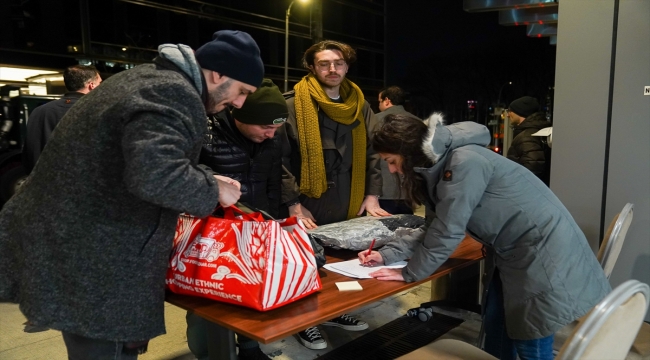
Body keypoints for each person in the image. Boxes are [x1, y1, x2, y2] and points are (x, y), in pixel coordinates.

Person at [0, 30, 264, 359]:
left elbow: (139, 159)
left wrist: (202, 176)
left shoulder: (148, 78)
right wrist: (213, 189)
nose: (239, 103)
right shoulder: (171, 91)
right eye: (242, 91)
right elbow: (155, 177)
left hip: (78, 243)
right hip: (93, 256)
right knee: (107, 352)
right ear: (219, 73)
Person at [359, 114, 611, 360]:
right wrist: (387, 254)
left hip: (539, 251)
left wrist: (409, 274)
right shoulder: (443, 164)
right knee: (496, 324)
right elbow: (435, 226)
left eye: (392, 161)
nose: (393, 170)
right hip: (517, 251)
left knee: (530, 339)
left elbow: (448, 232)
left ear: (410, 150)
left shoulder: (464, 161)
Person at [281, 40, 388, 350]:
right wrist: (293, 203)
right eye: (324, 63)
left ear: (346, 67)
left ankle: (337, 312)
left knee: (343, 261)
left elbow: (373, 152)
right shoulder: (292, 104)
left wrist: (373, 194)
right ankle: (305, 322)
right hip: (307, 197)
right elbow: (279, 158)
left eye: (338, 63)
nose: (332, 69)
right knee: (305, 261)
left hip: (348, 195)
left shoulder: (359, 104)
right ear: (312, 67)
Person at [186, 79, 288, 360]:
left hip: (254, 226)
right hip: (208, 233)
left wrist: (274, 222)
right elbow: (184, 170)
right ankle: (208, 355)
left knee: (250, 290)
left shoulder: (272, 137)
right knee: (205, 303)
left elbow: (272, 181)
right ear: (239, 116)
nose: (271, 134)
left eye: (276, 127)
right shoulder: (205, 131)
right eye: (265, 127)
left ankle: (250, 350)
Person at [22, 65, 102, 174]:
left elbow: (29, 152)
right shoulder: (96, 111)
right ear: (91, 86)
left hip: (41, 183)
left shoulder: (39, 111)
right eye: (100, 84)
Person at [375, 86, 421, 215]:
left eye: (379, 101)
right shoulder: (417, 121)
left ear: (387, 100)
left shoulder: (374, 120)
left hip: (384, 187)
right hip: (409, 188)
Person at [506, 96, 552, 185]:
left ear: (520, 112)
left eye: (510, 111)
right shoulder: (536, 131)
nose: (508, 115)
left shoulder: (526, 136)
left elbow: (533, 167)